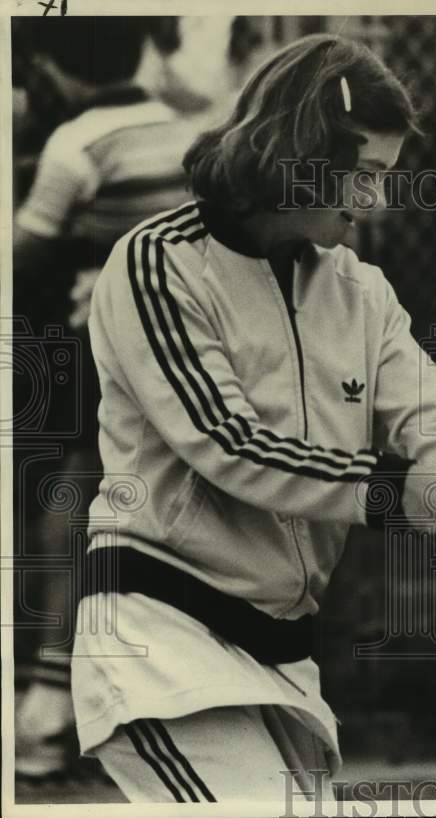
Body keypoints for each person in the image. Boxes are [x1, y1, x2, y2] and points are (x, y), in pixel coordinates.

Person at [72, 33, 436, 804]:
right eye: (364, 175)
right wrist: (404, 493)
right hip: (162, 643)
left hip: (282, 654)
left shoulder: (358, 290)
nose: (376, 202)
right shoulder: (155, 265)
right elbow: (230, 443)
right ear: (299, 150)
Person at [12, 16, 217, 781]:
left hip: (112, 355)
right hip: (194, 355)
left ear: (58, 73)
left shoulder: (79, 145)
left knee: (73, 493)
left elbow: (19, 255)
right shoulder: (188, 132)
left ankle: (46, 705)